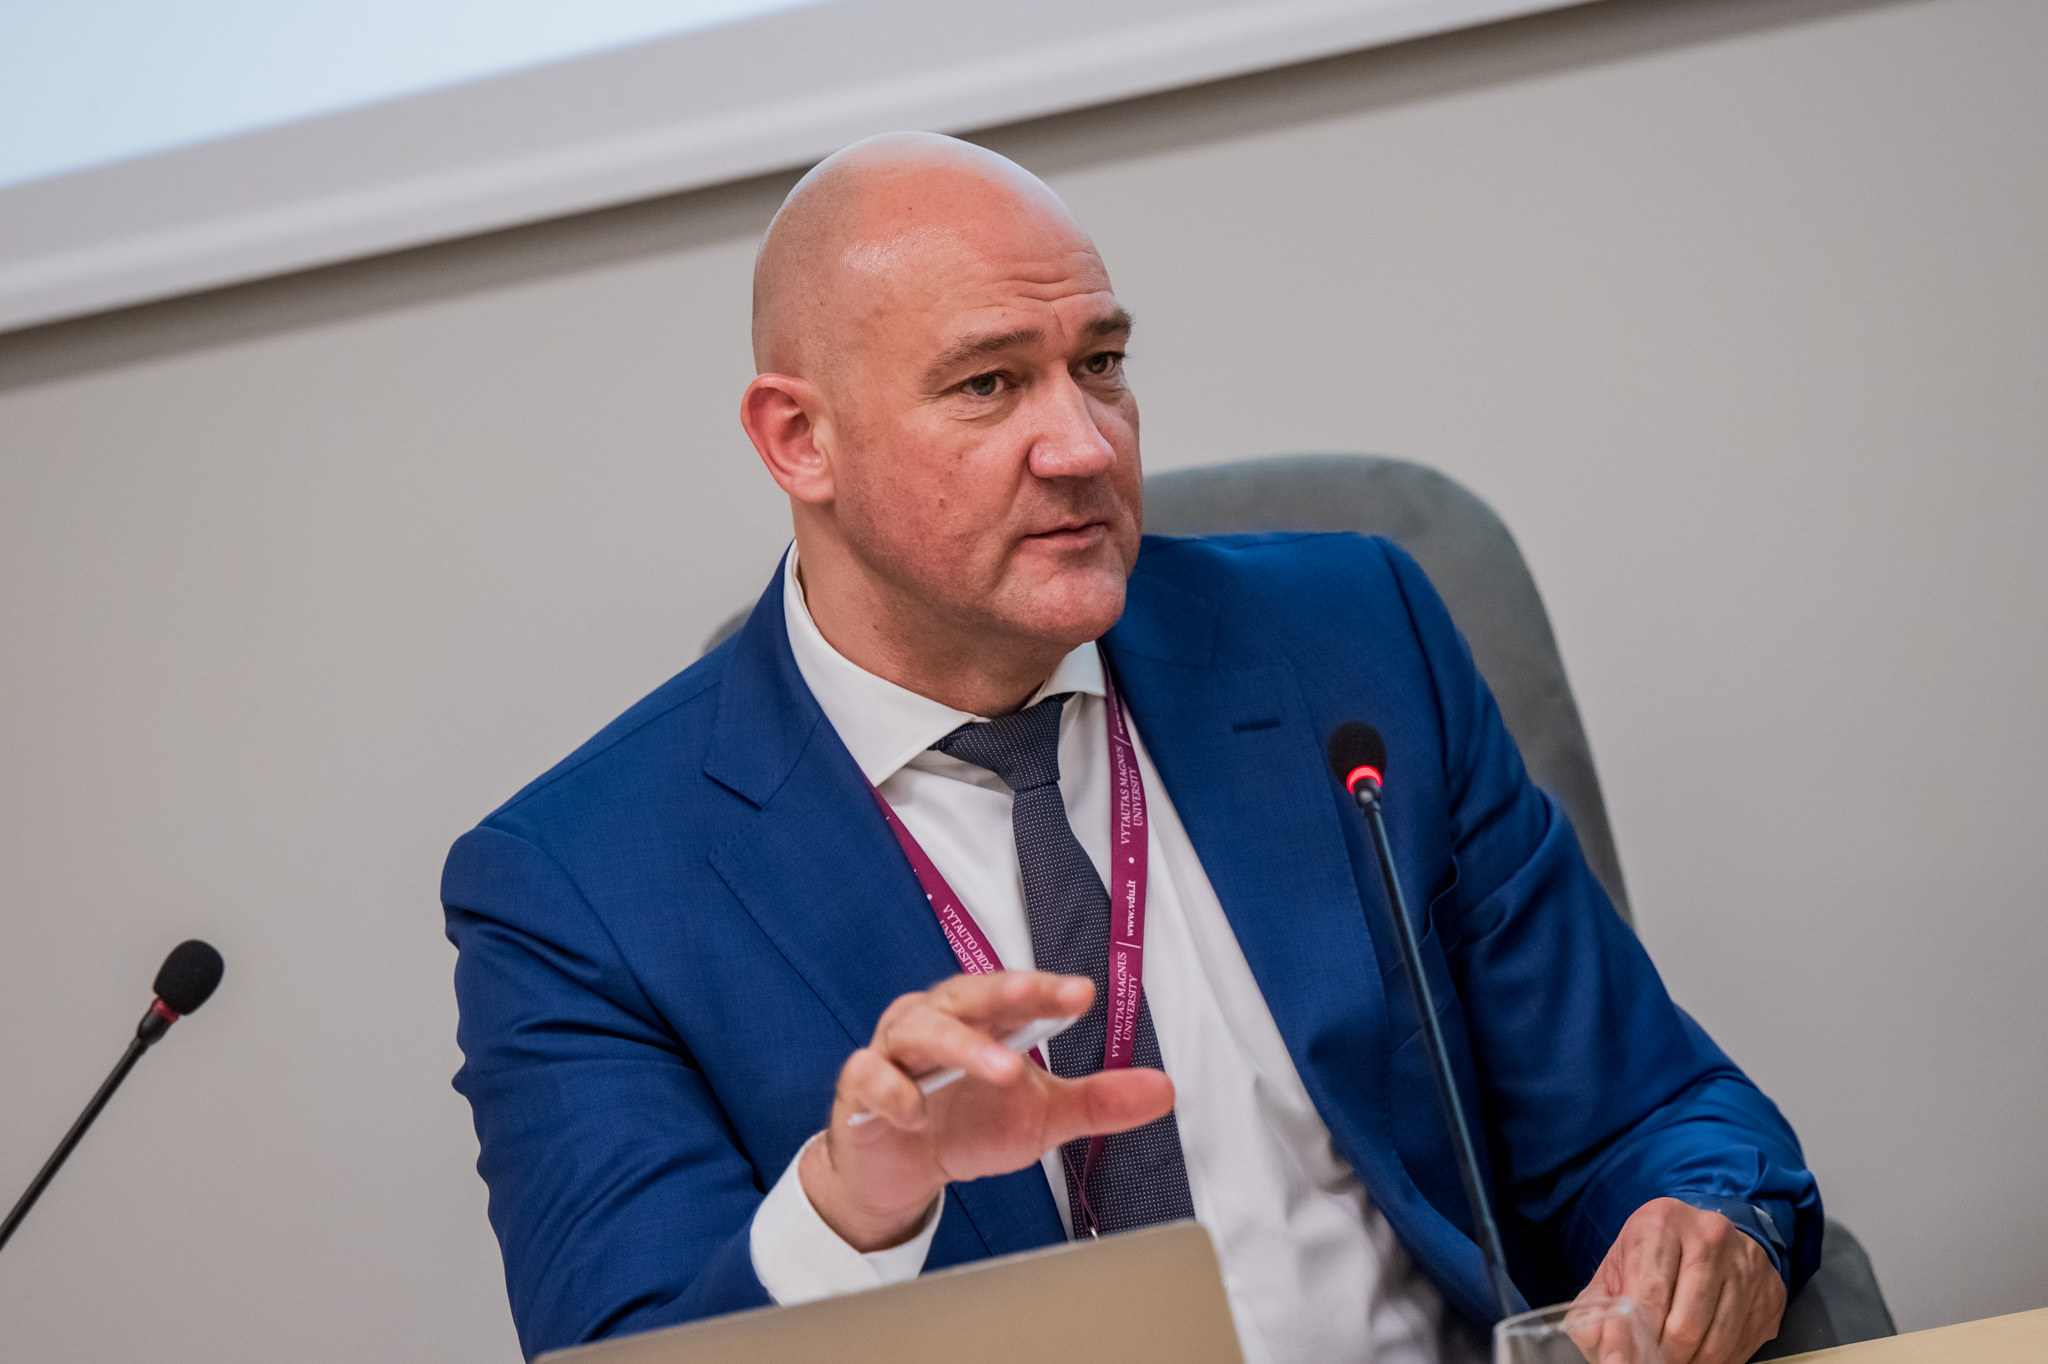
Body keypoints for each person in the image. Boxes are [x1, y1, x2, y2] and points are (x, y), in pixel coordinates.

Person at [442, 133, 1820, 1364]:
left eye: (1099, 364)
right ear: (799, 439)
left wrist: (1707, 1228)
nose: (1084, 445)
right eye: (989, 384)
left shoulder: (1351, 644)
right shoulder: (582, 885)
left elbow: (1654, 1111)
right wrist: (847, 1217)